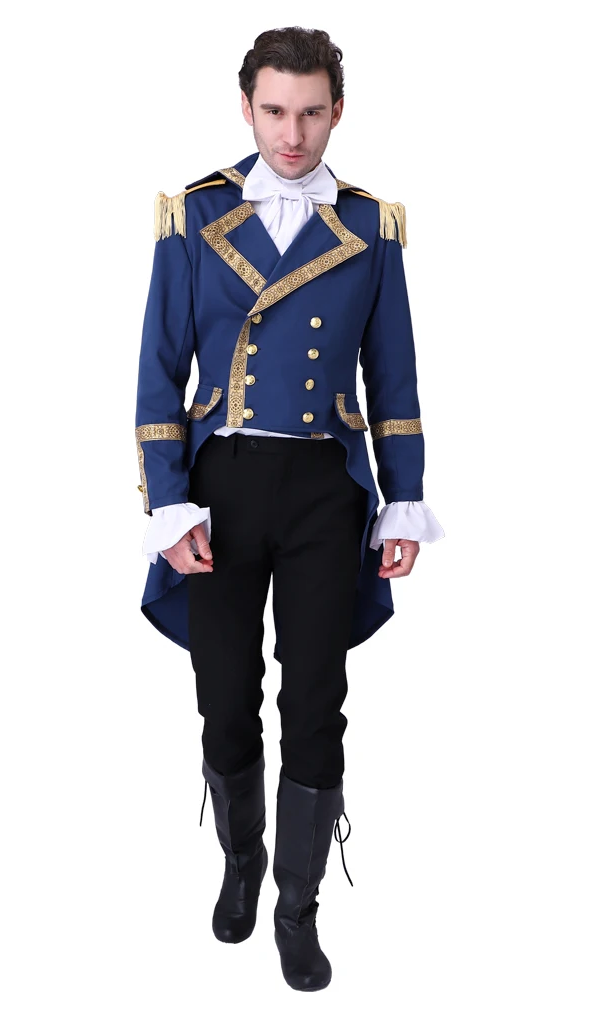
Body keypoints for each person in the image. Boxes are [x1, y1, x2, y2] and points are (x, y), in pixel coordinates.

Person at [133, 26, 444, 991]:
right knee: (224, 694)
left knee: (315, 699)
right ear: (246, 106)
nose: (293, 134)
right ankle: (242, 861)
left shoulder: (369, 227)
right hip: (220, 485)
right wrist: (170, 502)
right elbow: (159, 369)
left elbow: (393, 375)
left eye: (312, 112)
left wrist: (403, 500)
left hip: (323, 489)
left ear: (337, 110)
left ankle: (298, 907)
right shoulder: (196, 214)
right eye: (274, 110)